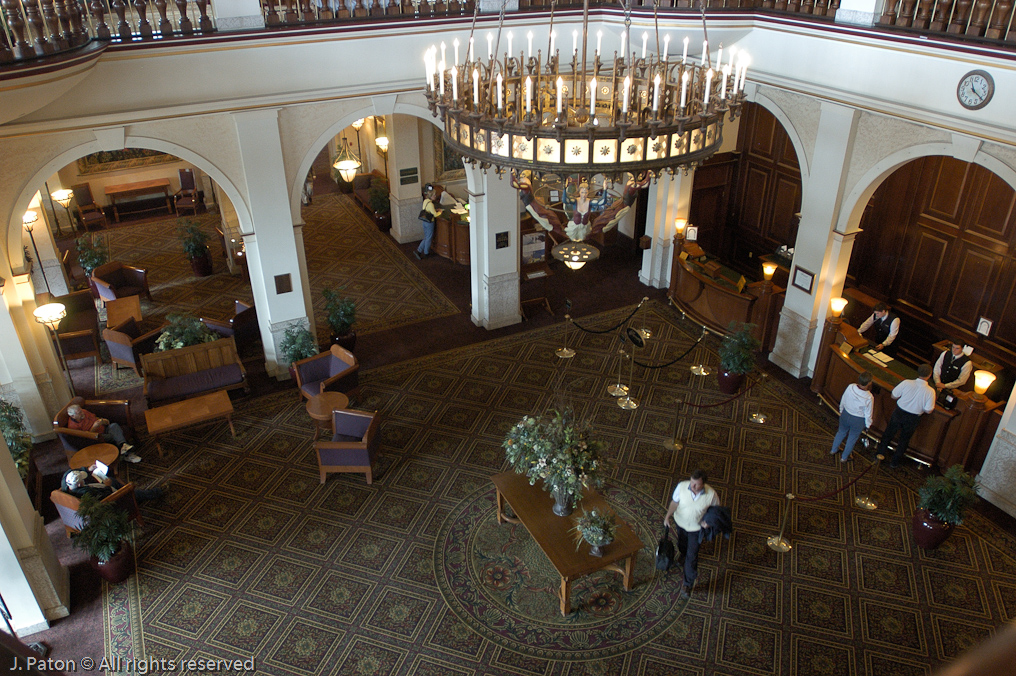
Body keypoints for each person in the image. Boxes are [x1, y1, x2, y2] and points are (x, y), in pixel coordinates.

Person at [663, 469, 719, 599]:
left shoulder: (711, 495)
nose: (692, 486)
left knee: (692, 556)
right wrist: (667, 516)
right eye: (692, 483)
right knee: (682, 544)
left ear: (703, 484)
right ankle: (682, 554)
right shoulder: (682, 486)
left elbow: (716, 512)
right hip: (680, 524)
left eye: (696, 484)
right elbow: (674, 502)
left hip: (696, 530)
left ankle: (687, 584)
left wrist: (708, 522)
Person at [875, 363, 936, 468]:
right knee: (904, 440)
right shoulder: (930, 392)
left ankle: (879, 455)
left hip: (899, 413)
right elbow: (928, 410)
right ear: (930, 375)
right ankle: (894, 462)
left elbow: (894, 395)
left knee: (888, 434)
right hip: (913, 418)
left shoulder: (907, 383)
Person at [66, 404, 141, 463]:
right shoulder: (73, 427)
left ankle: (123, 446)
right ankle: (127, 454)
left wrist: (104, 421)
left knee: (114, 425)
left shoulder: (84, 412)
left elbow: (96, 418)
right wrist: (94, 427)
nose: (82, 413)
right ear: (73, 416)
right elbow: (86, 438)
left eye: (81, 411)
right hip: (97, 437)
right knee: (115, 436)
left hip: (104, 428)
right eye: (79, 413)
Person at [830, 372, 874, 463]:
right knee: (852, 438)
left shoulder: (851, 387)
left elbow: (844, 399)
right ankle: (844, 457)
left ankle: (833, 449)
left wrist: (841, 410)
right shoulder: (869, 397)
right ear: (869, 383)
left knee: (841, 432)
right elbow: (868, 413)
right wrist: (868, 425)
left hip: (846, 414)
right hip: (858, 420)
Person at [62, 466, 162, 502]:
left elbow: (74, 470)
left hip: (100, 491)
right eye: (82, 480)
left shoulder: (65, 481)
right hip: (108, 499)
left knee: (113, 480)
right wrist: (108, 486)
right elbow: (103, 496)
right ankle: (153, 493)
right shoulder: (85, 493)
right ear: (79, 485)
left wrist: (87, 469)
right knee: (126, 490)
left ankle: (132, 493)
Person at [415, 184, 439, 260]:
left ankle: (419, 250)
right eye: (434, 195)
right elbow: (435, 215)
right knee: (429, 238)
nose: (435, 196)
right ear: (431, 196)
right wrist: (440, 212)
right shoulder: (431, 204)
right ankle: (426, 253)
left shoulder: (425, 201)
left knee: (426, 237)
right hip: (430, 223)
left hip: (424, 222)